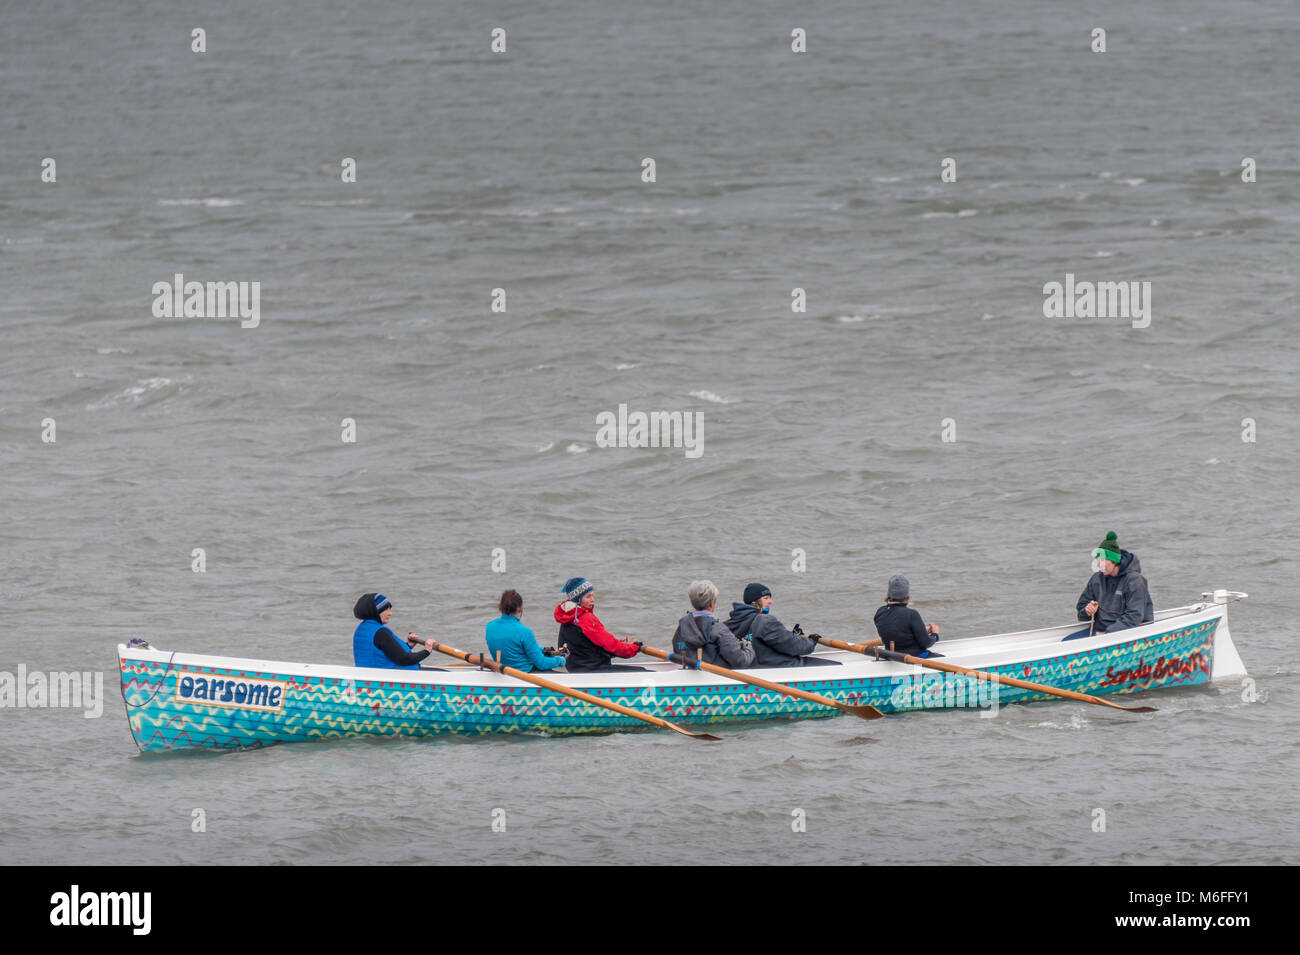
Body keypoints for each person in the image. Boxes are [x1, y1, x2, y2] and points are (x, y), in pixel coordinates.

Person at [553, 577, 644, 672]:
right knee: (643, 672)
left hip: (576, 669)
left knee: (640, 669)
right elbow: (611, 645)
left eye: (593, 595)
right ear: (577, 600)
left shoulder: (568, 616)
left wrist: (624, 645)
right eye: (588, 597)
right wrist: (635, 648)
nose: (593, 600)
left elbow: (591, 646)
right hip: (594, 670)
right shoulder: (585, 618)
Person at [724, 583, 824, 667]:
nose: (770, 601)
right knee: (837, 666)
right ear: (754, 602)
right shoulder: (765, 621)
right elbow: (794, 646)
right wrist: (811, 641)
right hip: (779, 667)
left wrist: (794, 636)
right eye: (766, 598)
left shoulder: (730, 623)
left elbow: (776, 640)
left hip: (753, 669)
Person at [1077, 531, 1154, 633]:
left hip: (1130, 633)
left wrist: (1107, 634)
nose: (1099, 565)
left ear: (1114, 561)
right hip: (1100, 630)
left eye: (1103, 561)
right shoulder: (1096, 579)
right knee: (1066, 642)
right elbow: (1081, 613)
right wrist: (1088, 611)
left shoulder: (1135, 581)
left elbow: (1134, 617)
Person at [671, 580, 756, 668]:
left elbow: (678, 652)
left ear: (692, 602)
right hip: (717, 676)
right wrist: (748, 646)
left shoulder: (682, 626)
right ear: (712, 604)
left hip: (691, 673)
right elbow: (740, 662)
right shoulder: (718, 629)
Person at [485, 589, 567, 673]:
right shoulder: (524, 632)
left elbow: (513, 648)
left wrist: (541, 649)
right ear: (520, 608)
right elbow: (541, 663)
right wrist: (561, 660)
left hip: (504, 670)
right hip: (525, 673)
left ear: (500, 606)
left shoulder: (489, 627)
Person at [352, 593, 436, 670]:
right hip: (395, 677)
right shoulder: (380, 632)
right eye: (386, 610)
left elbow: (388, 652)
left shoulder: (361, 629)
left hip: (371, 675)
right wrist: (427, 650)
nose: (390, 613)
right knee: (445, 673)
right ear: (376, 612)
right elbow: (404, 659)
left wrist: (409, 645)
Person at [873, 575, 941, 657]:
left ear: (888, 595)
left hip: (891, 656)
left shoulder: (880, 612)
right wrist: (935, 634)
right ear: (907, 596)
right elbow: (926, 643)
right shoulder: (911, 614)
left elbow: (895, 632)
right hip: (913, 657)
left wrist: (922, 629)